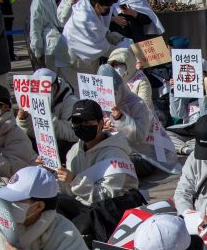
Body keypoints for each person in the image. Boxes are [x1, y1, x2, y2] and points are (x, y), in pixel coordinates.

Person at [54, 99, 144, 240]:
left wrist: (74, 181)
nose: (81, 126)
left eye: (87, 123)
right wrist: (56, 174)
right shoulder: (73, 152)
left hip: (111, 209)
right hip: (85, 203)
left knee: (75, 230)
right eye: (77, 123)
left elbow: (107, 197)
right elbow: (69, 191)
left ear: (101, 124)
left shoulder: (115, 155)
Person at [56, 0, 123, 93]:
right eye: (106, 8)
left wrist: (110, 35)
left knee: (88, 89)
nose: (107, 11)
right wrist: (123, 52)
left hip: (71, 54)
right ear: (97, 6)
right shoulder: (87, 19)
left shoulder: (85, 5)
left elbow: (100, 30)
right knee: (86, 91)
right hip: (72, 60)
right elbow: (102, 48)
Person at [16, 68, 77, 161]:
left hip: (61, 148)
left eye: (42, 89)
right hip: (41, 145)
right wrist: (24, 120)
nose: (38, 92)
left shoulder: (71, 102)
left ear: (55, 87)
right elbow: (31, 132)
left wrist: (47, 118)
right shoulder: (33, 98)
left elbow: (72, 135)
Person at [29, 0, 63, 72]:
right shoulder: (39, 0)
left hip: (65, 44)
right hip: (50, 47)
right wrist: (37, 50)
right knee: (54, 79)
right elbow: (35, 27)